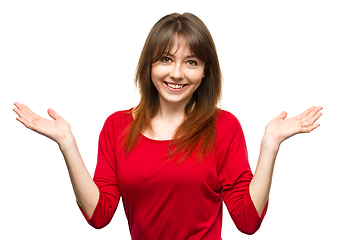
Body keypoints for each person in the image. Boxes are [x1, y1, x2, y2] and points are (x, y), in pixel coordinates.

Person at [13, 13, 322, 239]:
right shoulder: (116, 126)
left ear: (204, 72)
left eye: (191, 62)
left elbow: (247, 222)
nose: (177, 73)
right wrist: (67, 142)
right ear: (149, 65)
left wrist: (270, 144)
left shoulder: (223, 127)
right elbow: (99, 215)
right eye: (165, 59)